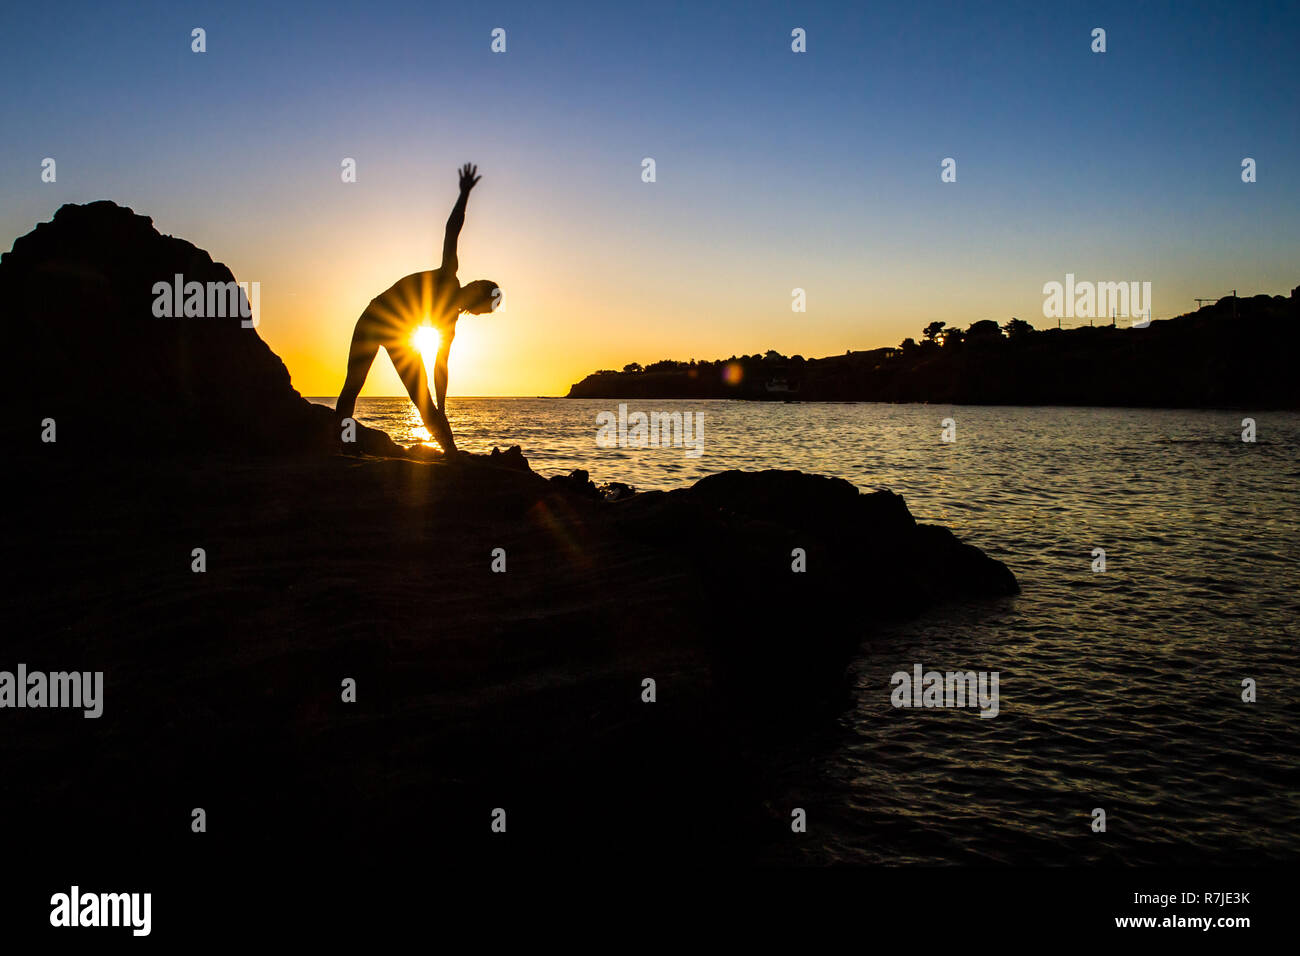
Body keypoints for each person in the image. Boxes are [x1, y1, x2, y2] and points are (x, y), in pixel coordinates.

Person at [334, 163, 499, 454]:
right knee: (353, 384)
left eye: (481, 309)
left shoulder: (449, 324)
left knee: (422, 400)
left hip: (399, 335)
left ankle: (450, 452)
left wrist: (443, 406)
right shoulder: (449, 274)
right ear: (473, 289)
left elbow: (440, 368)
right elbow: (452, 229)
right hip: (375, 317)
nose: (476, 308)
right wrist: (463, 194)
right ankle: (336, 442)